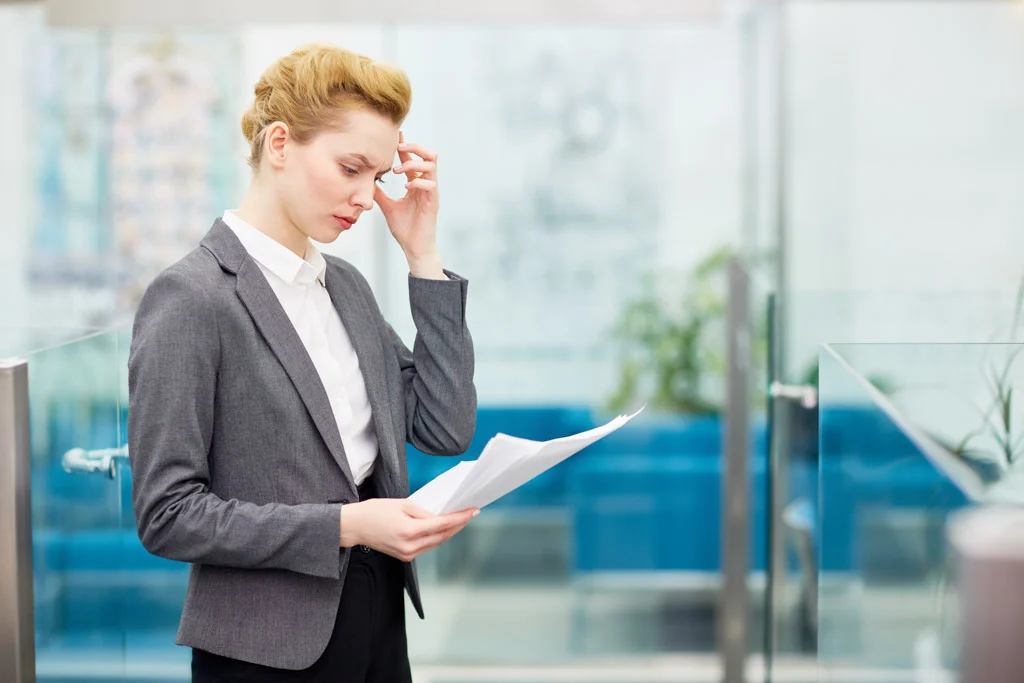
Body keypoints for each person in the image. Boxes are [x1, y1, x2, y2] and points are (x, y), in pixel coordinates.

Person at [127, 42, 478, 683]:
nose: (367, 197)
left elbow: (444, 426)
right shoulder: (191, 299)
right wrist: (345, 525)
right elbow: (167, 515)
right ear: (280, 144)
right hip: (264, 649)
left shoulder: (343, 286)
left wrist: (423, 258)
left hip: (376, 613)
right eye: (351, 169)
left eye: (377, 176)